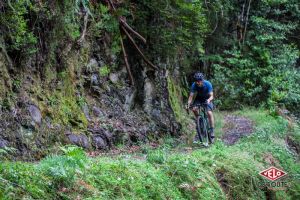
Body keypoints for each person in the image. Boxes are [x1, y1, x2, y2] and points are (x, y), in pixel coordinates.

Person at [187, 72, 215, 143]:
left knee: (209, 113)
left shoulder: (208, 84)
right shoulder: (194, 85)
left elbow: (211, 95)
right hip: (199, 98)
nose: (197, 83)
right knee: (194, 109)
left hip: (207, 98)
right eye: (196, 81)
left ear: (202, 80)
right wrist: (188, 104)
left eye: (199, 81)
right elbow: (191, 96)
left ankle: (212, 130)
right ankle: (200, 122)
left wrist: (208, 100)